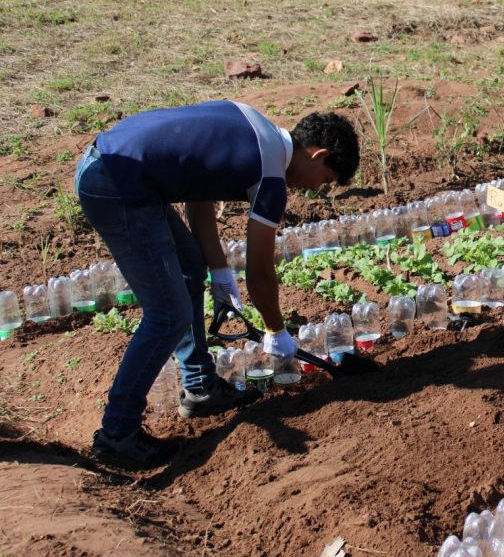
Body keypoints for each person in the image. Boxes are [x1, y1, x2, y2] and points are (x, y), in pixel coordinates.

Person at [75, 100, 360, 468]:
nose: (316, 189)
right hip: (118, 185)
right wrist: (276, 331)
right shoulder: (271, 173)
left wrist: (218, 270)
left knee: (190, 268)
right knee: (167, 313)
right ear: (317, 155)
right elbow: (259, 271)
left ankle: (200, 387)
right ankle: (117, 433)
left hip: (111, 166)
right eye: (325, 180)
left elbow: (198, 196)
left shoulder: (252, 121)